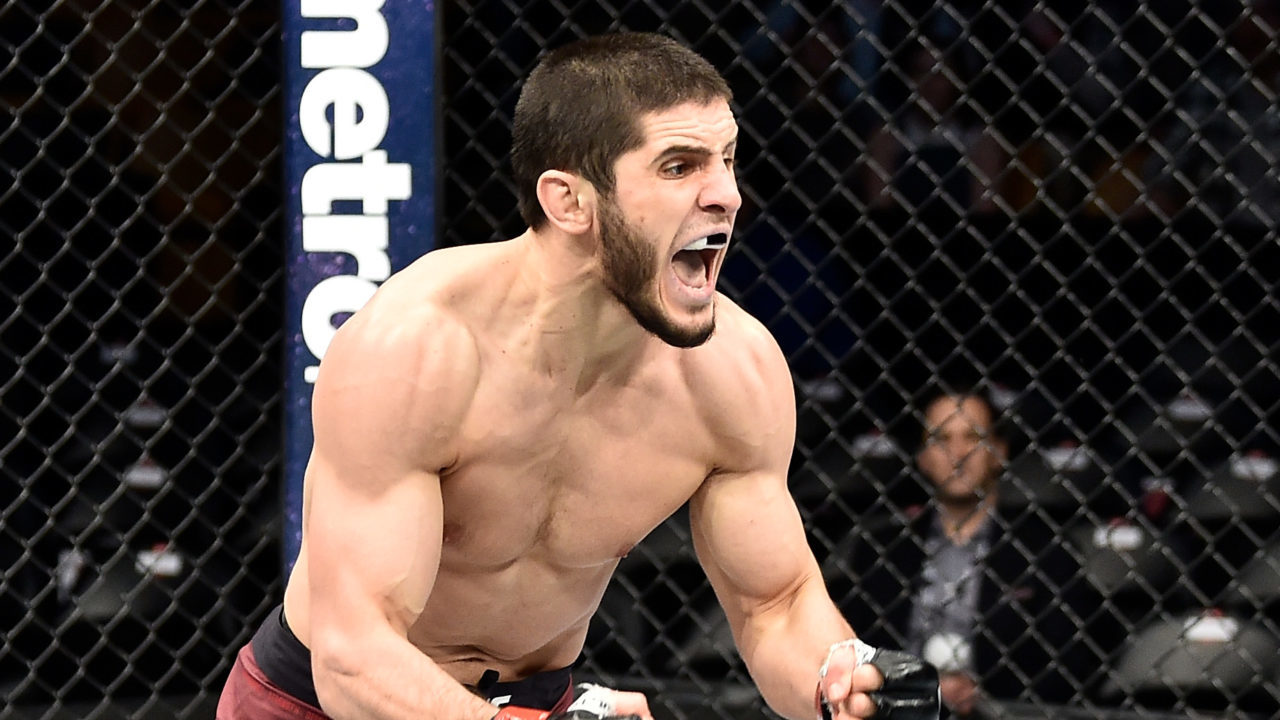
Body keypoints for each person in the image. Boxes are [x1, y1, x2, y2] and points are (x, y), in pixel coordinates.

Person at [217, 32, 938, 720]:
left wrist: (840, 683)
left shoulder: (733, 373)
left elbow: (774, 606)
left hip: (535, 700)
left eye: (727, 160)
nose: (727, 194)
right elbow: (352, 658)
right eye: (680, 166)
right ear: (568, 201)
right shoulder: (419, 350)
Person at [831, 387, 1097, 717]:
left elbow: (1068, 665)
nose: (958, 453)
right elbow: (856, 647)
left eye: (973, 437)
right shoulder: (881, 550)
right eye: (941, 438)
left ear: (998, 451)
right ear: (923, 457)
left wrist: (983, 696)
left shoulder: (1047, 552)